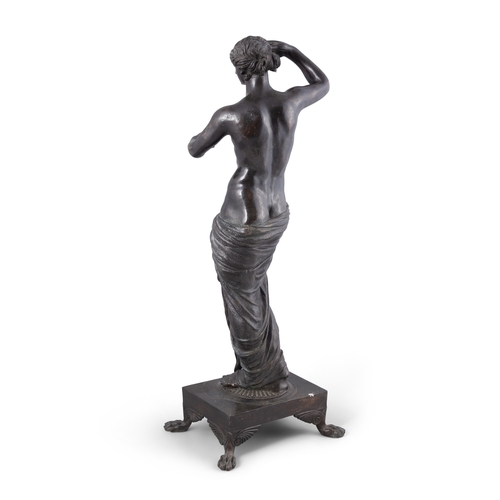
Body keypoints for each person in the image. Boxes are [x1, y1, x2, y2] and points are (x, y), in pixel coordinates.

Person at [188, 36, 329, 391]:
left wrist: (199, 136)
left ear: (239, 70)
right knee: (252, 289)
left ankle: (257, 375)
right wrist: (291, 51)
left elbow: (195, 148)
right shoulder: (290, 102)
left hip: (242, 218)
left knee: (242, 294)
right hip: (276, 213)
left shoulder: (230, 114)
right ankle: (269, 367)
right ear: (269, 64)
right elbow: (322, 83)